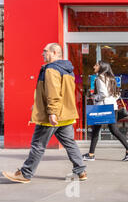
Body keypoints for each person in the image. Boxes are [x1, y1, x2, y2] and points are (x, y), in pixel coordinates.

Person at [2, 43, 87, 183]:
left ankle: (25, 174)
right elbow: (63, 93)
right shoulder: (68, 69)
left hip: (53, 116)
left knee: (38, 145)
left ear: (54, 52)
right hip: (65, 114)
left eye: (45, 51)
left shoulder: (51, 69)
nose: (42, 54)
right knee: (70, 143)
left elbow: (53, 92)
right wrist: (39, 106)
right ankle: (81, 171)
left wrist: (52, 112)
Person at [82, 61, 128, 162]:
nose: (94, 66)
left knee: (97, 131)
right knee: (112, 130)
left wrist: (94, 97)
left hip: (103, 108)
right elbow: (116, 94)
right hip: (112, 106)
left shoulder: (99, 79)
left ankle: (91, 154)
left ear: (102, 67)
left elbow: (103, 94)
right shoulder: (111, 79)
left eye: (96, 65)